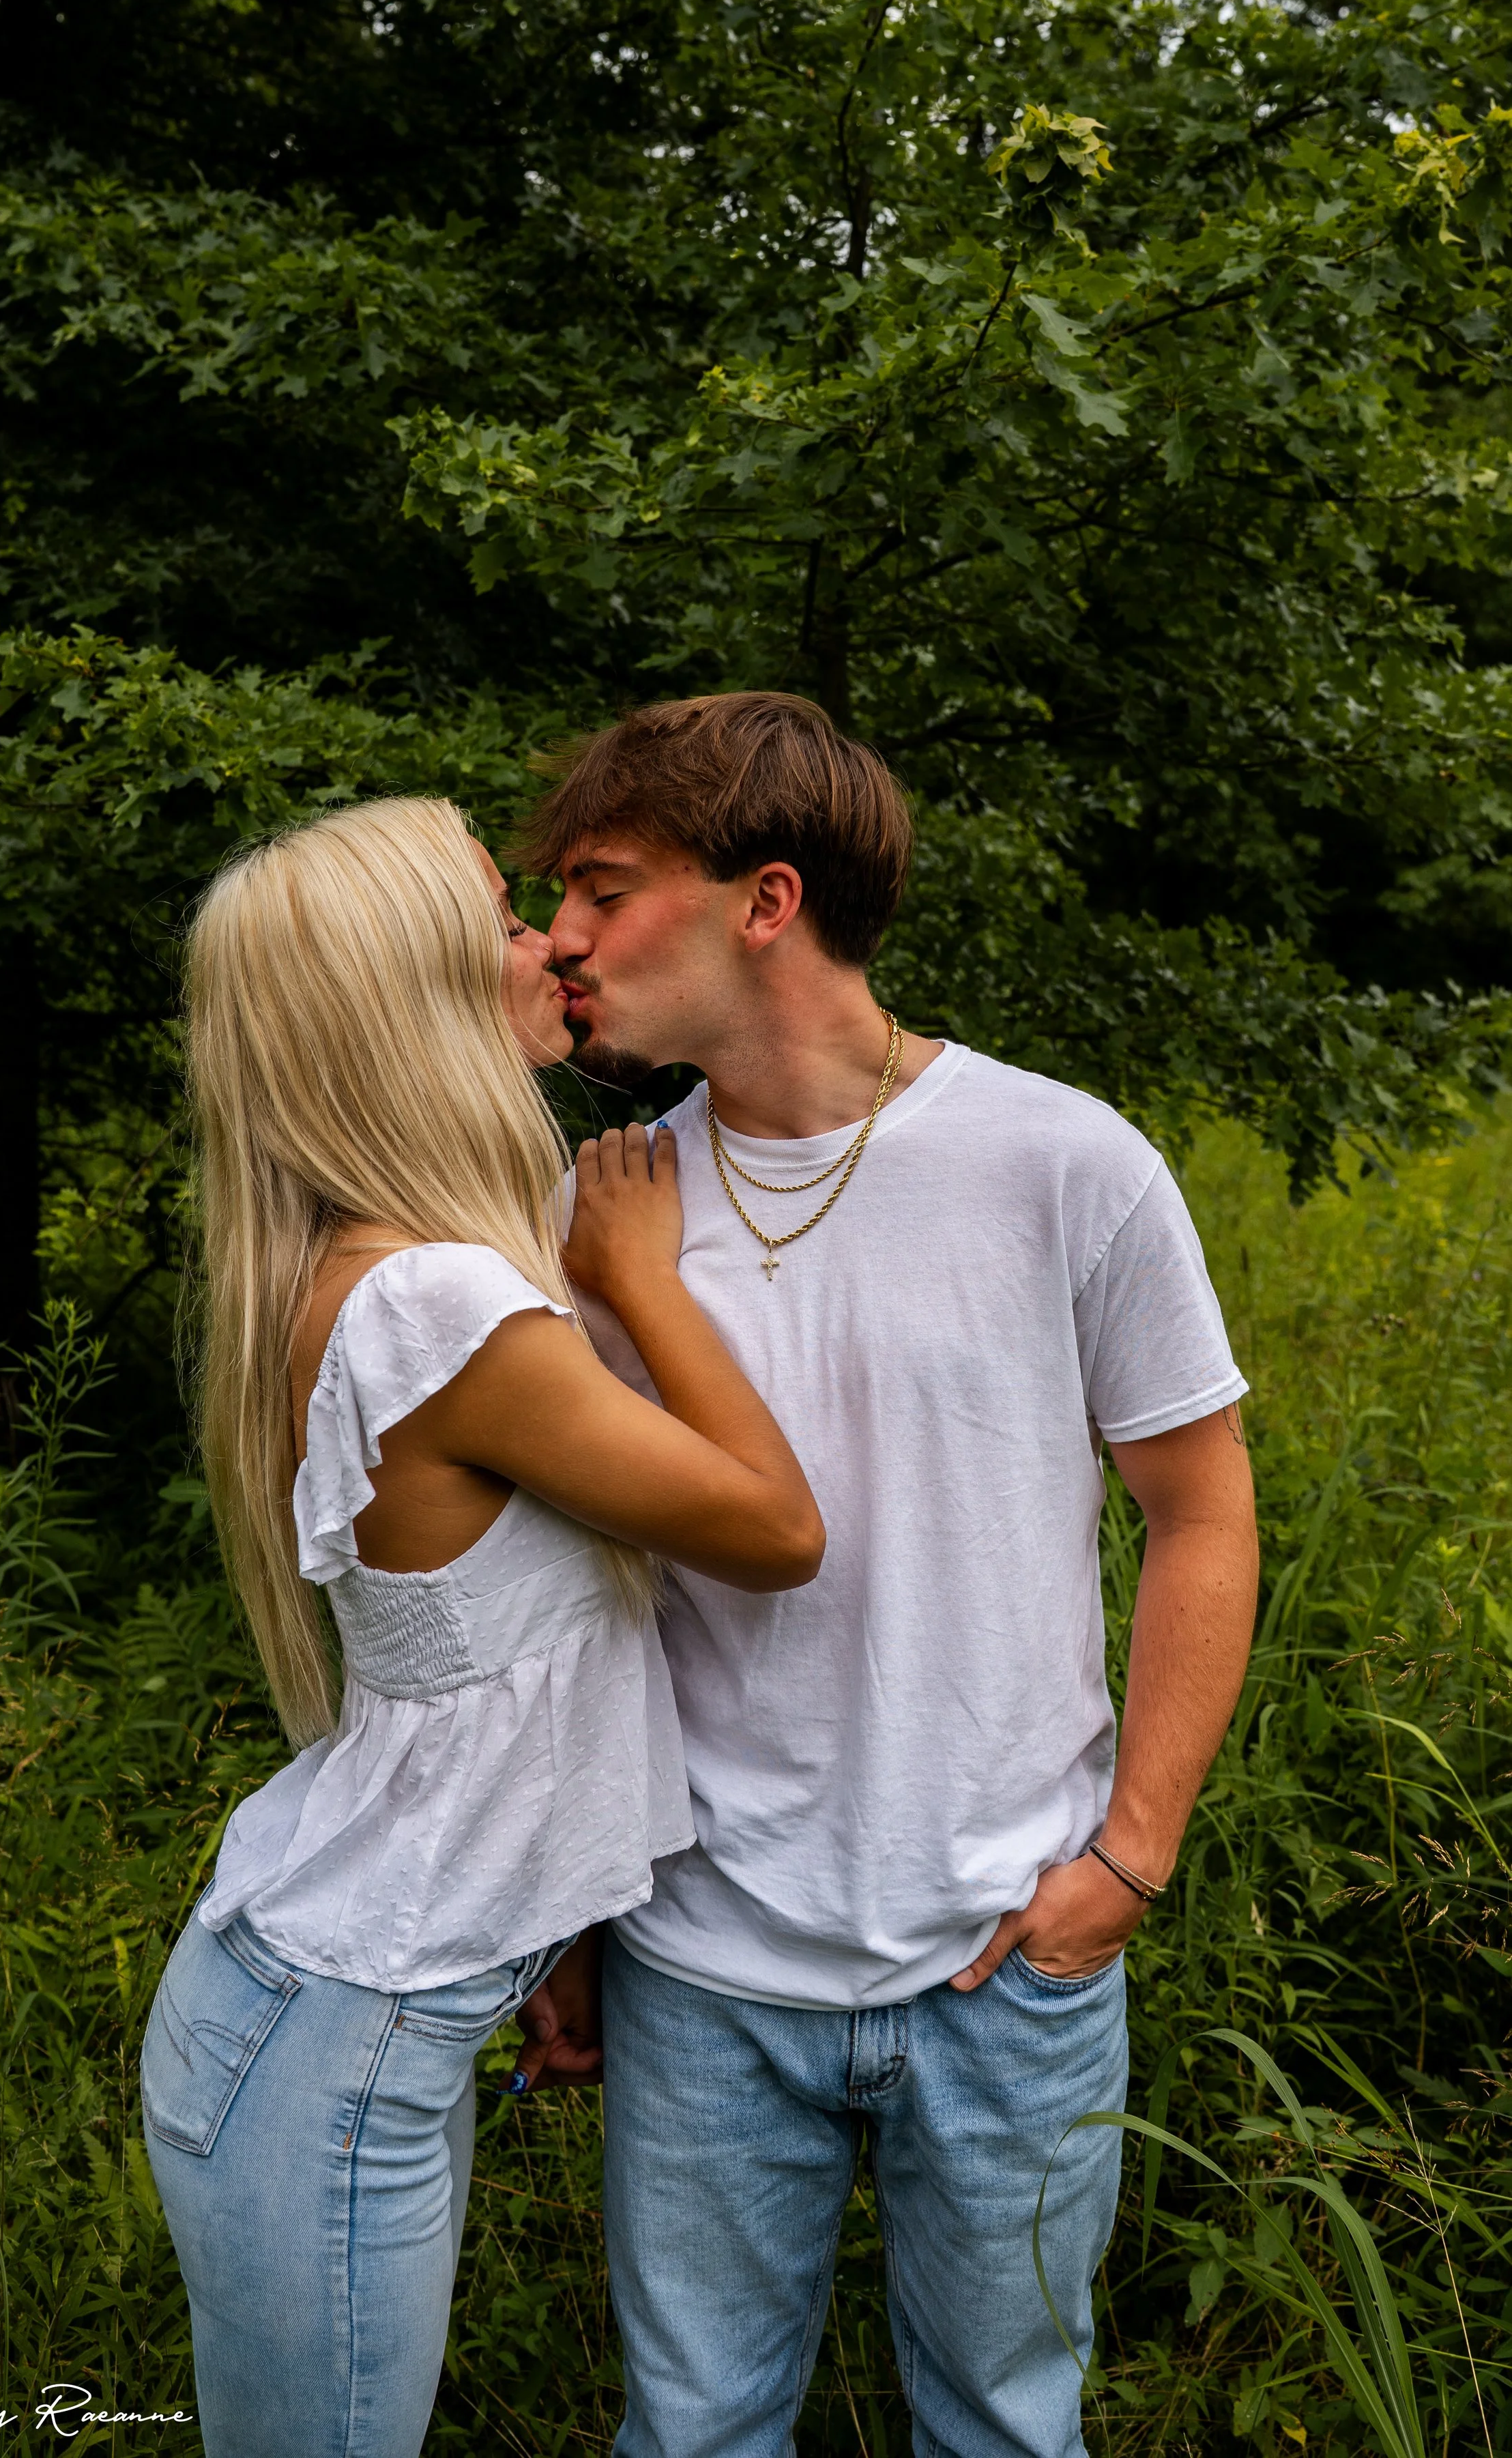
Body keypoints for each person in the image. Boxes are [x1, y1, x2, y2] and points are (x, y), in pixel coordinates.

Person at [511, 693, 1261, 2458]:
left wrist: (1130, 1856)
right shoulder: (591, 1204)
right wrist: (566, 1912)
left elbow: (1202, 1513)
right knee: (691, 2434)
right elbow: (571, 1593)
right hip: (699, 1963)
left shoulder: (1063, 1162)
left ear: (761, 901)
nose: (559, 938)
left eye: (603, 888)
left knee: (1006, 2429)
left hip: (1007, 1958)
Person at [140, 795, 824, 2458]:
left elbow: (506, 1671)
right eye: (503, 920)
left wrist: (554, 1928)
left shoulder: (378, 1270)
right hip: (340, 2034)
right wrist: (641, 1272)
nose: (552, 944)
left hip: (345, 2007)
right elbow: (774, 1533)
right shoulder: (441, 1302)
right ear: (411, 987)